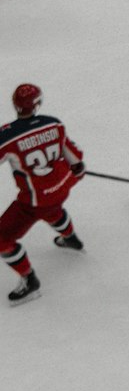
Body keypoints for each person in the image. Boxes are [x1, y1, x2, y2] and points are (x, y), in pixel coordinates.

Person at [0, 84, 85, 307]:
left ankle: (30, 282)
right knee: (53, 209)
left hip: (34, 201)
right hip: (62, 187)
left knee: (2, 239)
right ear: (37, 104)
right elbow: (76, 160)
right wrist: (78, 168)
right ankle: (71, 239)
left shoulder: (7, 136)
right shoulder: (54, 124)